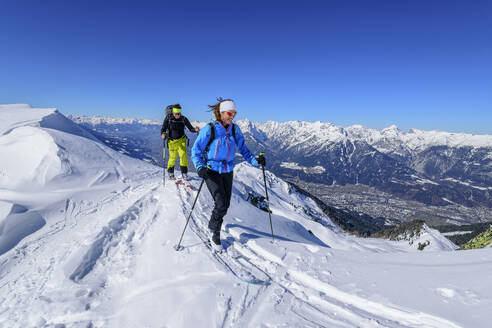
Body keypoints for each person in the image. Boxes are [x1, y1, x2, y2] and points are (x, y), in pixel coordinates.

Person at [191, 98, 266, 251]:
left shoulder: (234, 129)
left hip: (228, 171)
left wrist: (256, 161)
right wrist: (199, 167)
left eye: (234, 113)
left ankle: (214, 224)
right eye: (230, 113)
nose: (232, 116)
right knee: (221, 203)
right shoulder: (210, 129)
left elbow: (244, 149)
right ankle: (214, 231)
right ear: (221, 113)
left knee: (226, 205)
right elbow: (196, 150)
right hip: (211, 170)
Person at [161, 104, 199, 180]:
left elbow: (190, 128)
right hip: (172, 141)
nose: (177, 115)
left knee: (183, 156)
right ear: (173, 113)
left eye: (179, 113)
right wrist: (163, 133)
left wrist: (195, 130)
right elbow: (163, 128)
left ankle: (184, 174)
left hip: (182, 140)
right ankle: (171, 173)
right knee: (173, 157)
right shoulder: (168, 118)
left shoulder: (184, 119)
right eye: (176, 114)